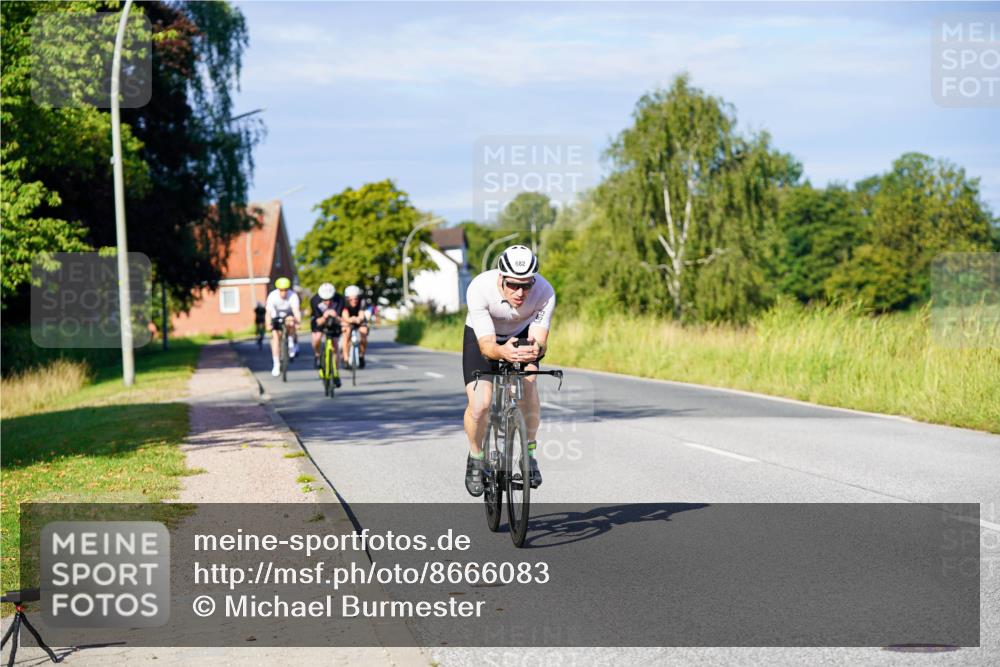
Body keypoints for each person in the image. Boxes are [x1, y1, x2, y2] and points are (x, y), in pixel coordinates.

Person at [462, 245, 555, 497]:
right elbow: (486, 346)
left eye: (526, 285)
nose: (520, 292)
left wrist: (535, 349)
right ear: (501, 277)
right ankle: (476, 457)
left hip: (521, 334)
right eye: (513, 285)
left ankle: (529, 455)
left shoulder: (545, 291)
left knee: (529, 385)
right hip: (483, 336)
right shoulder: (479, 288)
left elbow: (540, 339)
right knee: (480, 404)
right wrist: (502, 352)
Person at [265, 277, 301, 377]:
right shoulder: (272, 296)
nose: (283, 293)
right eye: (281, 290)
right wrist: (268, 324)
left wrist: (298, 323)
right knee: (275, 338)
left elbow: (296, 311)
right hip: (276, 316)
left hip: (288, 315)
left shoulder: (293, 296)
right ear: (278, 290)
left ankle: (291, 342)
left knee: (291, 322)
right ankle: (276, 364)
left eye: (285, 290)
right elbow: (268, 313)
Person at [310, 282, 343, 387]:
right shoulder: (315, 300)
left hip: (334, 322)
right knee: (317, 338)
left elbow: (341, 318)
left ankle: (336, 372)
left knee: (335, 345)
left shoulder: (340, 299)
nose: (328, 302)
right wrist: (324, 316)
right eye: (325, 300)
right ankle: (317, 355)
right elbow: (317, 321)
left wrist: (335, 316)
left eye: (330, 299)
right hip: (320, 321)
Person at [341, 285, 369, 368]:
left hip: (358, 319)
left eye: (356, 299)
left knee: (364, 332)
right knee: (346, 334)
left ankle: (361, 355)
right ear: (347, 299)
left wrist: (358, 319)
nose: (354, 301)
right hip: (348, 319)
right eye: (351, 299)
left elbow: (361, 314)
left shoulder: (362, 301)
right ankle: (346, 358)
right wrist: (350, 320)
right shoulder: (344, 302)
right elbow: (345, 315)